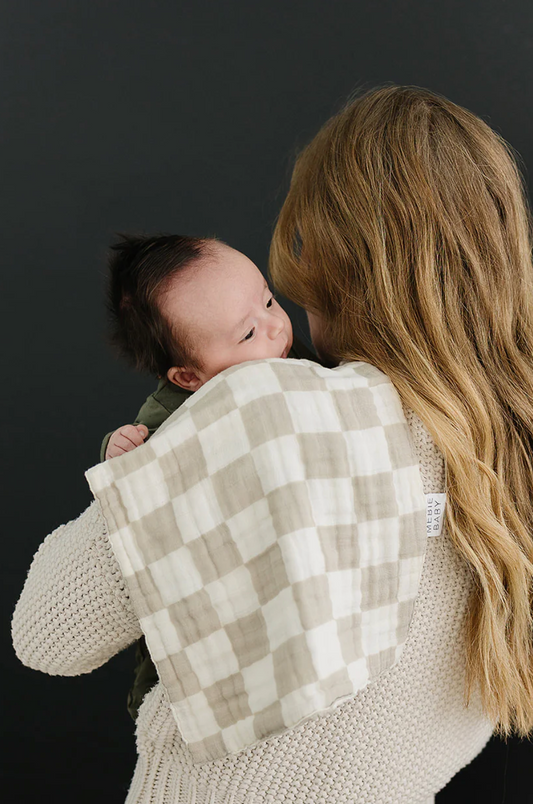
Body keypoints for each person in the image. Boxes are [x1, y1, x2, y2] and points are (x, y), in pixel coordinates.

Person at [13, 84, 533, 803]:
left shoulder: (264, 417)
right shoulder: (512, 437)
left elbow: (48, 637)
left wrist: (135, 480)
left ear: (333, 253)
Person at [99, 233, 317, 719]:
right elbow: (132, 482)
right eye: (247, 334)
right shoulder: (170, 410)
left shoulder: (286, 356)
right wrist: (122, 453)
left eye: (268, 300)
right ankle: (151, 697)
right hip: (194, 585)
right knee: (176, 639)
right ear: (188, 377)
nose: (276, 329)